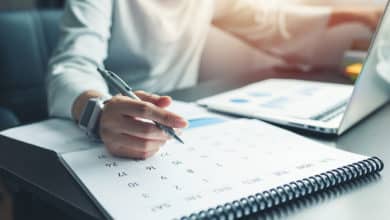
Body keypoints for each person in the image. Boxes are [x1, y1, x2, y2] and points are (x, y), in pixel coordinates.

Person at [47, 0, 383, 159]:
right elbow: (72, 64)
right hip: (111, 126)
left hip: (179, 123)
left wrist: (352, 14)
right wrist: (100, 109)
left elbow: (269, 20)